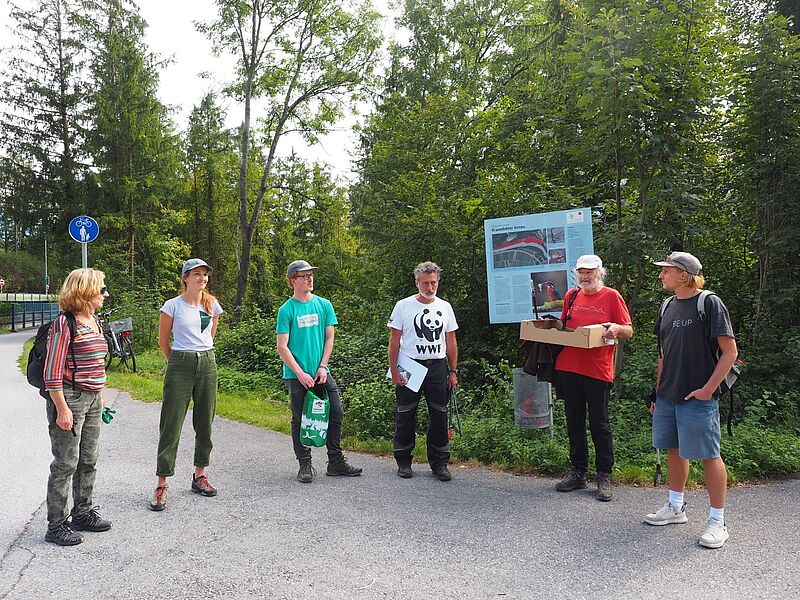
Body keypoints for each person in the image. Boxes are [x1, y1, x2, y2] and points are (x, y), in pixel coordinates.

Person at [645, 251, 737, 549]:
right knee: (674, 450)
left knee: (709, 454)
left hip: (698, 395)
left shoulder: (709, 303)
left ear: (684, 275)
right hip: (668, 395)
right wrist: (657, 392)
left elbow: (730, 352)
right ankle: (675, 507)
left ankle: (718, 521)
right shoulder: (667, 306)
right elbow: (663, 354)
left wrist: (708, 389)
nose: (661, 275)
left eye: (667, 270)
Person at [554, 255, 633, 501]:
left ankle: (604, 475)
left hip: (597, 369)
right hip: (569, 366)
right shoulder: (571, 296)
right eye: (581, 272)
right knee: (574, 420)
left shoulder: (612, 296)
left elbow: (628, 330)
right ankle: (578, 472)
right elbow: (563, 328)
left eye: (589, 272)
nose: (585, 276)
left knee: (599, 423)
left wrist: (616, 329)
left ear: (600, 272)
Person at [43, 268, 112, 546]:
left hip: (93, 398)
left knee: (89, 459)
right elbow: (52, 371)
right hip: (69, 398)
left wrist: (100, 395)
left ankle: (82, 513)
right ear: (84, 291)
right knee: (65, 463)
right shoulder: (65, 323)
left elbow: (97, 363)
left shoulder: (94, 320)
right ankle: (56, 525)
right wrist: (61, 408)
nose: (106, 294)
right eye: (101, 289)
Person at [276, 260, 362, 483]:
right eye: (304, 276)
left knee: (336, 413)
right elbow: (282, 347)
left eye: (311, 275)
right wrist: (300, 373)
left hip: (321, 372)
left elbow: (329, 338)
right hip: (296, 375)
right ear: (293, 281)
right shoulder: (287, 310)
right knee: (300, 419)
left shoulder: (324, 305)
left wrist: (323, 366)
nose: (310, 279)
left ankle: (335, 462)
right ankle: (304, 464)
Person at [150, 258, 223, 511]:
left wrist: (201, 355)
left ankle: (199, 475)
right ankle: (162, 482)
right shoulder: (172, 306)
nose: (202, 278)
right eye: (197, 274)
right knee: (171, 424)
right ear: (185, 278)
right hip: (180, 363)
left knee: (205, 422)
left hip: (207, 363)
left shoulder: (211, 304)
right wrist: (177, 363)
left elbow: (210, 335)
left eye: (205, 274)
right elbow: (163, 341)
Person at [388, 261, 459, 481]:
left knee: (439, 415)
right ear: (417, 283)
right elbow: (394, 341)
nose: (430, 287)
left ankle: (439, 463)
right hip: (410, 364)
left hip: (437, 366)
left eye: (433, 283)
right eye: (426, 283)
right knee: (406, 413)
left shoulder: (445, 307)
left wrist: (453, 371)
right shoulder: (403, 306)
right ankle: (403, 460)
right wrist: (394, 370)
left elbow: (451, 341)